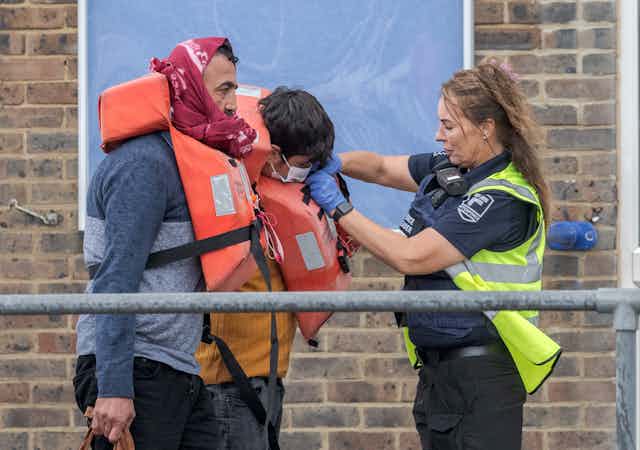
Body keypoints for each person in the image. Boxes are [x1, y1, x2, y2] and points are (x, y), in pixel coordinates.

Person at [305, 61, 561, 450]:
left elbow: (411, 257)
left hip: (479, 377)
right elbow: (380, 169)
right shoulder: (454, 169)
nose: (438, 135)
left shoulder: (499, 199)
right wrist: (332, 163)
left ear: (486, 128)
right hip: (444, 372)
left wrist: (339, 209)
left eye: (449, 126)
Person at [74, 37, 256, 450]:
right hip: (134, 370)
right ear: (188, 86)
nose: (232, 104)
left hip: (175, 366)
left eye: (235, 89)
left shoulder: (187, 161)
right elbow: (114, 280)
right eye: (223, 90)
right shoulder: (144, 166)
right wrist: (115, 387)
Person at [195, 86, 337, 450]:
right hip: (228, 383)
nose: (306, 173)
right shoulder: (233, 198)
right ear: (273, 154)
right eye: (304, 163)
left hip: (267, 378)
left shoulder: (280, 200)